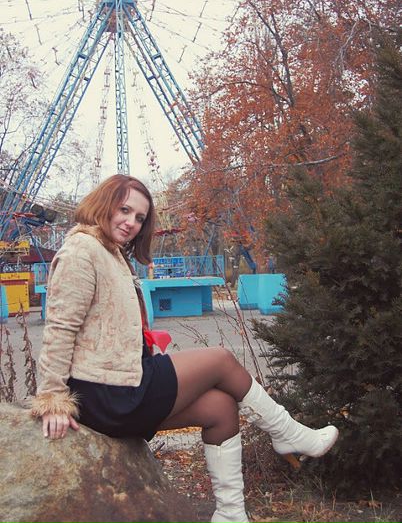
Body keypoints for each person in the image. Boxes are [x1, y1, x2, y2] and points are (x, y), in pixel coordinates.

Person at [31, 174, 339, 523]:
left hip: (124, 385)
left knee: (220, 408)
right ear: (104, 204)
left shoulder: (109, 252)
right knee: (221, 360)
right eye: (125, 210)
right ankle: (287, 433)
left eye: (139, 218)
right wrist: (52, 398)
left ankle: (231, 515)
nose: (131, 222)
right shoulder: (81, 251)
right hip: (106, 392)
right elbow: (60, 329)